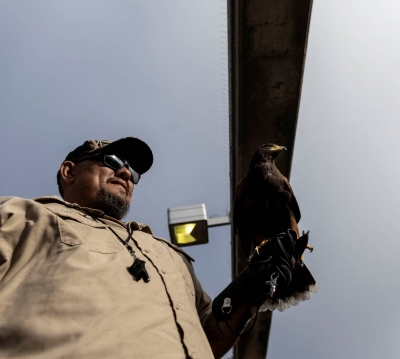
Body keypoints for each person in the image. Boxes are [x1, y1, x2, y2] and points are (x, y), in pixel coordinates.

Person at [0, 137, 254, 359]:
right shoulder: (21, 216)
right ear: (69, 172)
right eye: (111, 160)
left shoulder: (171, 256)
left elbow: (210, 335)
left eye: (134, 174)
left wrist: (255, 279)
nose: (125, 174)